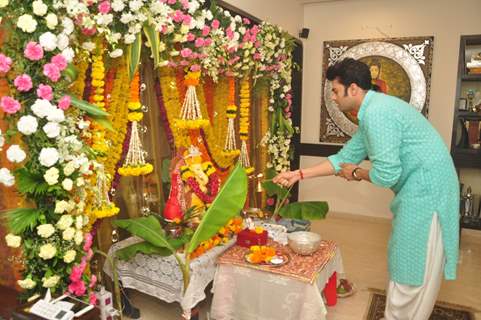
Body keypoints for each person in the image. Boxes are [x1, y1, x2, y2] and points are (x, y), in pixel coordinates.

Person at [274, 58, 459, 320]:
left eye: (336, 91)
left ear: (353, 89)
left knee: (411, 261)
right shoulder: (372, 111)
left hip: (428, 190)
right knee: (405, 256)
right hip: (421, 188)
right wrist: (298, 174)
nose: (334, 98)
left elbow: (386, 174)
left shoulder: (377, 113)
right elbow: (342, 159)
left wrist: (357, 173)